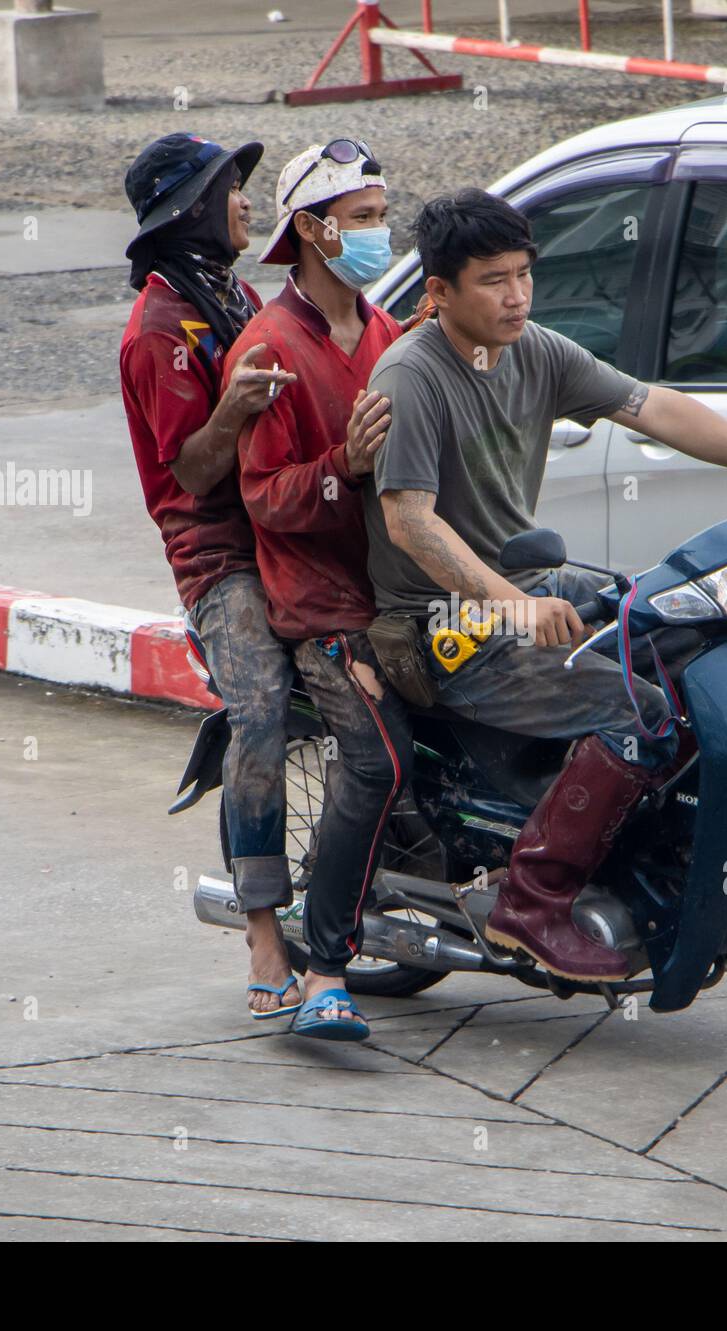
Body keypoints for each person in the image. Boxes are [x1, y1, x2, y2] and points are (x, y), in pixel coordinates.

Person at [364, 188, 727, 984]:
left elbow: (654, 408)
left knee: (685, 634)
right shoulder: (412, 377)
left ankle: (660, 857)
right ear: (438, 293)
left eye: (525, 273)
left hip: (529, 580)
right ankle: (532, 900)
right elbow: (410, 522)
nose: (517, 294)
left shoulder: (535, 349)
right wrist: (512, 602)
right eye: (494, 279)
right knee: (644, 714)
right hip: (443, 619)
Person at [222, 139, 413, 1041]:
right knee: (377, 760)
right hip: (322, 607)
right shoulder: (271, 344)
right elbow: (264, 496)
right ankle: (324, 963)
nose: (382, 234)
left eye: (383, 216)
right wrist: (347, 464)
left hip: (396, 593)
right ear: (311, 229)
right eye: (366, 220)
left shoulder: (382, 333)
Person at [119, 132, 303, 1022]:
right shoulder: (160, 330)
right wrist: (233, 409)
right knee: (261, 709)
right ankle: (264, 930)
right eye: (231, 189)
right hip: (220, 553)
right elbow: (190, 474)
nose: (244, 202)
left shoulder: (232, 292)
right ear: (191, 208)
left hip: (285, 514)